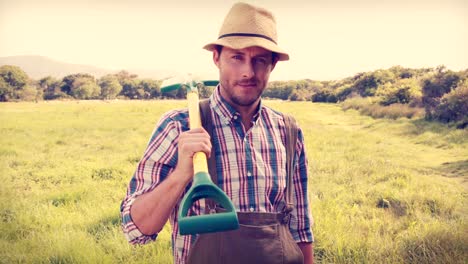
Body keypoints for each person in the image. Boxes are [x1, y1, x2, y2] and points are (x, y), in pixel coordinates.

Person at [121, 2, 314, 263]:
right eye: (237, 57)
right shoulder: (178, 126)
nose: (248, 72)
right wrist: (182, 174)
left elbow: (301, 228)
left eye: (259, 60)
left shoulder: (288, 131)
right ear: (216, 58)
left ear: (272, 65)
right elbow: (136, 230)